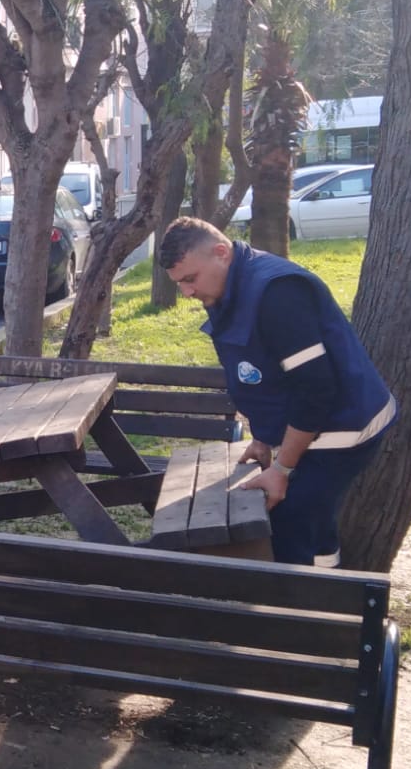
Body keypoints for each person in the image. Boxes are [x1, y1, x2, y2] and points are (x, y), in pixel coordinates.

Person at [158, 216, 397, 566]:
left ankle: (296, 611)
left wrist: (282, 469)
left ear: (221, 253)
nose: (187, 292)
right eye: (179, 284)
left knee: (287, 525)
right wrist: (264, 437)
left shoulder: (276, 293)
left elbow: (316, 390)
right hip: (317, 424)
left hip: (344, 427)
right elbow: (258, 374)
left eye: (190, 279)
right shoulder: (231, 285)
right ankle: (326, 598)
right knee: (313, 522)